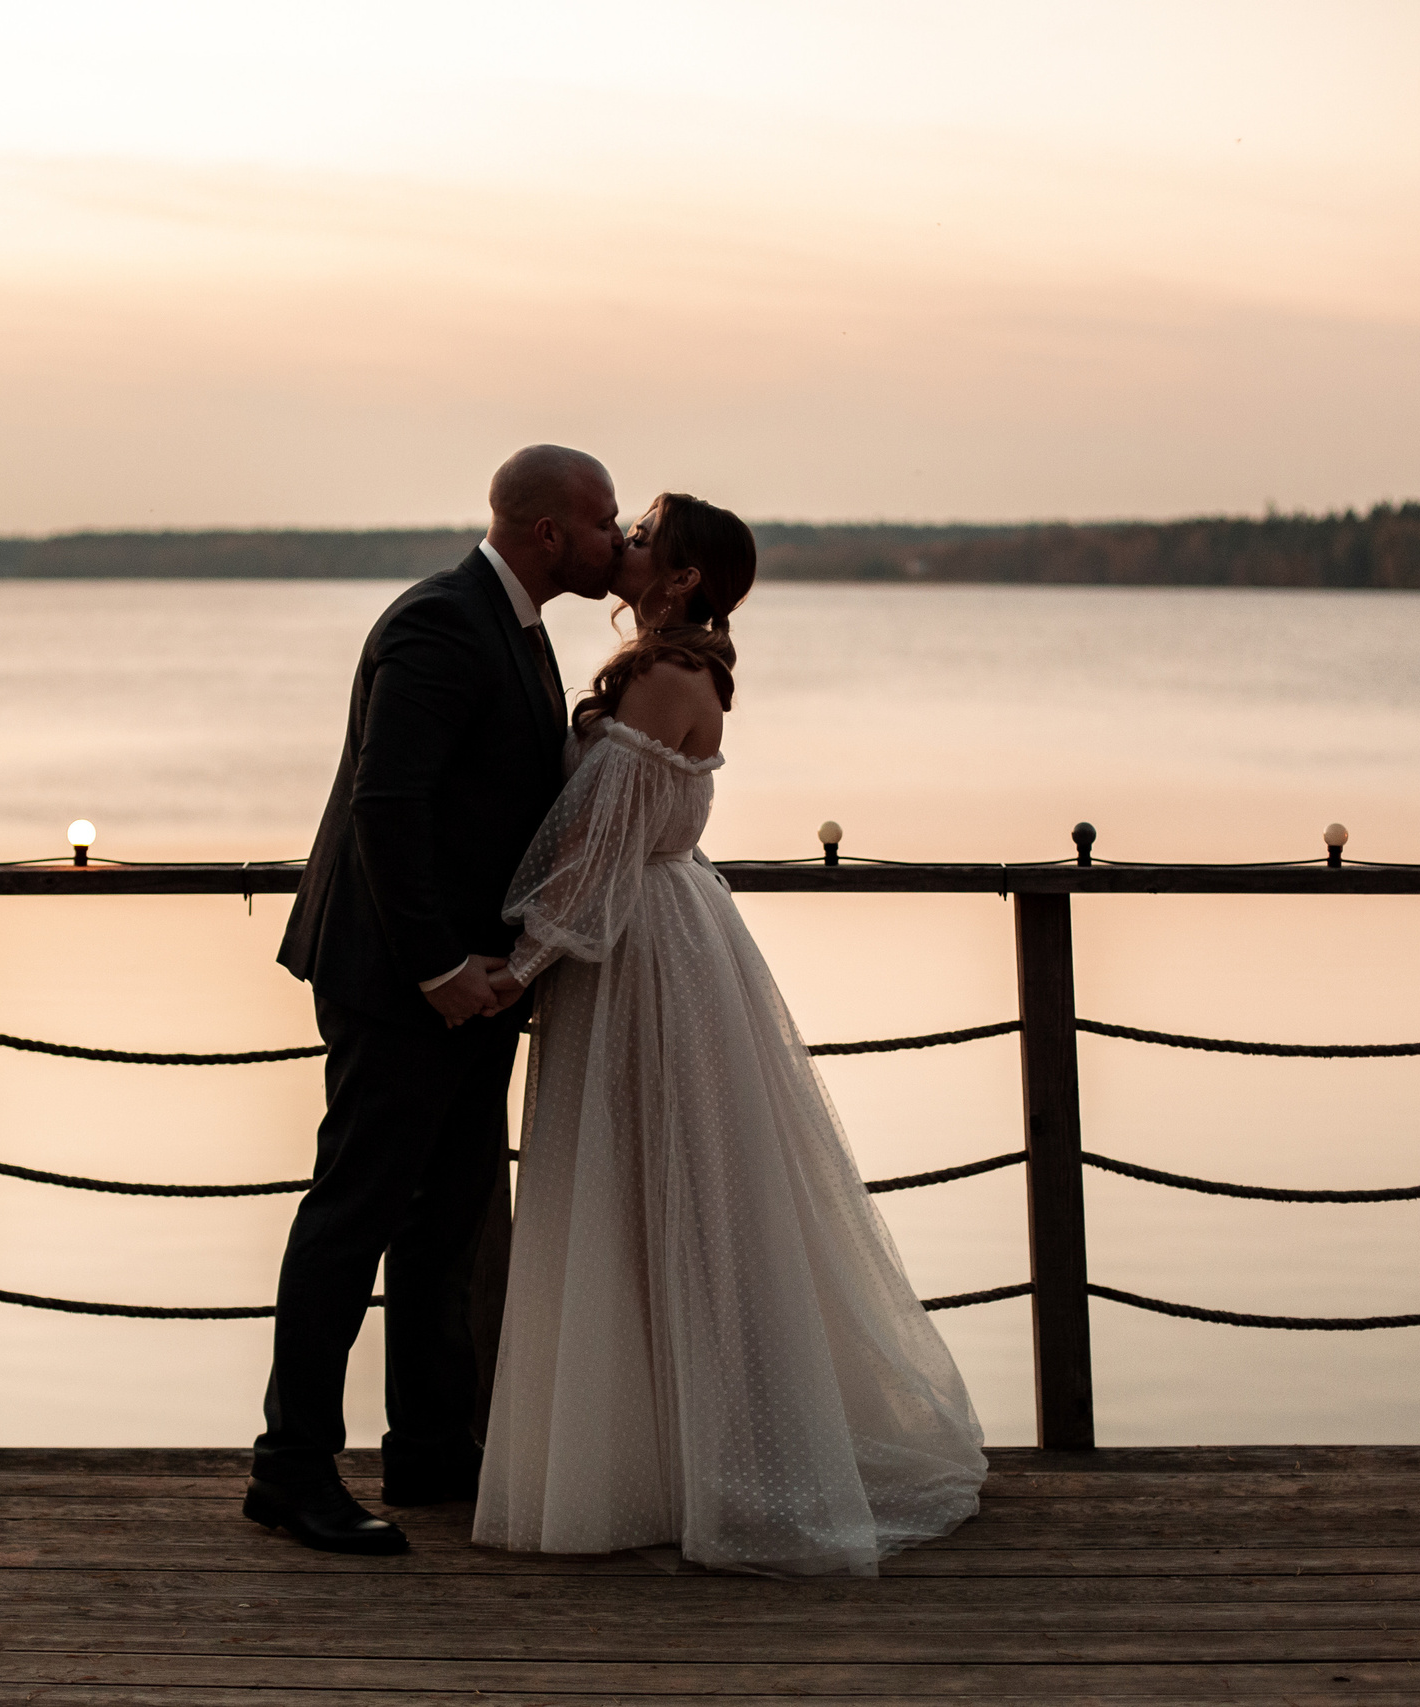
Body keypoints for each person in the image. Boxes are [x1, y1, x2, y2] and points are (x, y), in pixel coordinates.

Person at [471, 492, 988, 1576]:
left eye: (643, 536)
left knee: (663, 1192)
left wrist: (520, 965)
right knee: (655, 1191)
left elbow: (600, 846)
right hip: (656, 934)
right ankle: (657, 1458)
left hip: (642, 954)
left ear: (685, 576)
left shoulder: (665, 676)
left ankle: (694, 1466)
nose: (625, 543)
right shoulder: (674, 668)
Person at [249, 445, 627, 1555]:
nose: (615, 542)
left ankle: (426, 1444)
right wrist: (436, 967)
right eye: (604, 522)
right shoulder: (439, 622)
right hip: (398, 978)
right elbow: (388, 802)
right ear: (550, 532)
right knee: (353, 1213)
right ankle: (289, 1468)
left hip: (474, 983)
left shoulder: (518, 626)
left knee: (448, 1217)